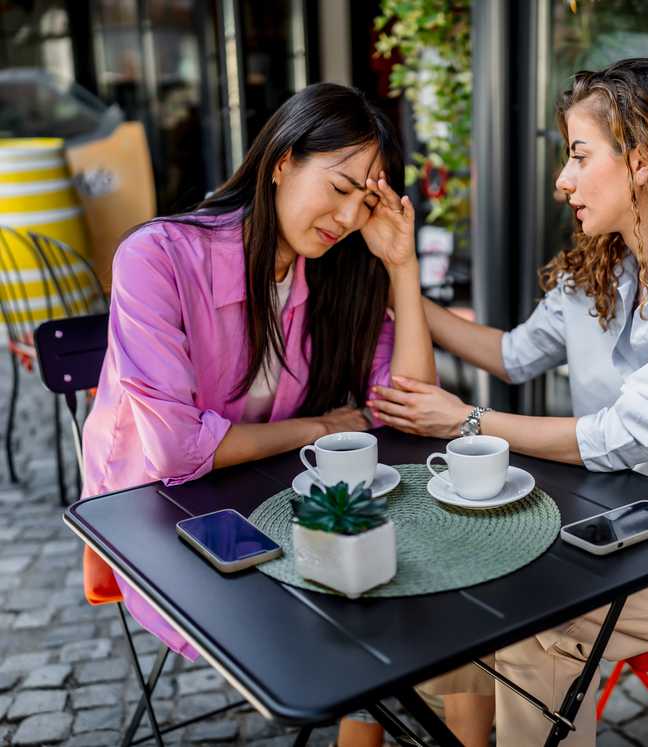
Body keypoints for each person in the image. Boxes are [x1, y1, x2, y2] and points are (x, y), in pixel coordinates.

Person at [368, 58, 648, 745]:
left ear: (642, 163)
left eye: (580, 156)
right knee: (465, 586)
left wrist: (464, 421)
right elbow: (514, 354)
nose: (562, 179)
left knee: (535, 621)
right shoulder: (604, 272)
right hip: (626, 527)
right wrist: (398, 272)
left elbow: (624, 436)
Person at [80, 82, 476, 746]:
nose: (350, 217)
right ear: (282, 161)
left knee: (420, 573)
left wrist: (401, 267)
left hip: (277, 495)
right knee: (370, 592)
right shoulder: (158, 258)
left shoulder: (338, 272)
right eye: (341, 187)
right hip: (160, 519)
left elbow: (409, 408)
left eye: (367, 199)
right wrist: (317, 428)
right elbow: (175, 451)